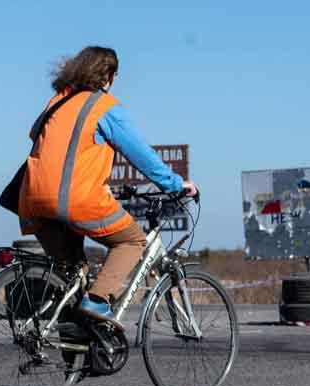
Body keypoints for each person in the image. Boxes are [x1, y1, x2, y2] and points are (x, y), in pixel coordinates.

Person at [18, 45, 197, 327]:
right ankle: (99, 301)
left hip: (31, 204)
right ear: (108, 76)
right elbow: (140, 154)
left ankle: (73, 347)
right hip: (73, 201)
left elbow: (45, 142)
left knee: (74, 277)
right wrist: (175, 184)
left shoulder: (57, 102)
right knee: (132, 241)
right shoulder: (103, 106)